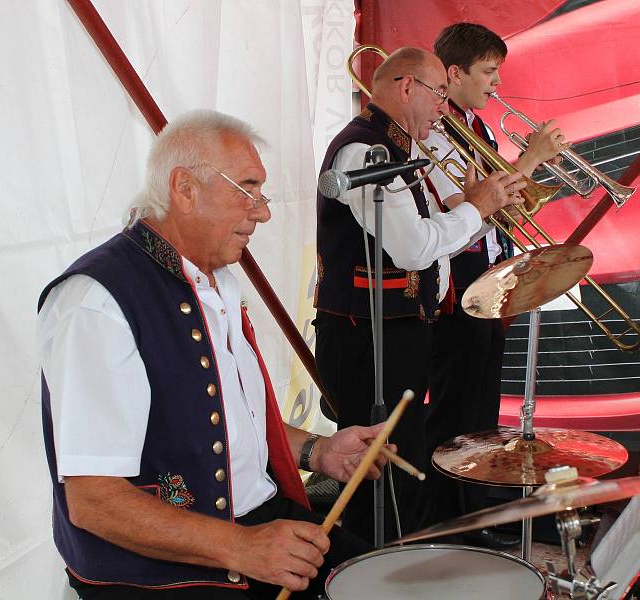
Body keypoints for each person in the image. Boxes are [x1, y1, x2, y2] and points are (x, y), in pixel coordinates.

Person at [37, 110, 395, 599]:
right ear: (184, 188)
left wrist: (318, 450)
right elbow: (94, 501)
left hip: (252, 528)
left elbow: (231, 422)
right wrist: (242, 548)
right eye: (246, 188)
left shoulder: (216, 279)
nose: (263, 211)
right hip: (164, 574)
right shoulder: (97, 302)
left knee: (392, 583)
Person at [313, 46, 525, 545]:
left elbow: (427, 234)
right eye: (439, 97)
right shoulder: (366, 152)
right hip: (366, 334)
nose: (443, 111)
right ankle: (374, 568)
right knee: (380, 469)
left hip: (395, 329)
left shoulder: (397, 150)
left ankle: (407, 559)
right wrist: (475, 208)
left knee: (402, 460)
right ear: (407, 87)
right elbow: (413, 249)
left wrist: (471, 207)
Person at [425, 23, 569, 548]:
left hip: (486, 277)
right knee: (457, 412)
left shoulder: (475, 128)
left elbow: (502, 202)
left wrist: (530, 173)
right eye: (488, 72)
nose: (496, 85)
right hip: (455, 283)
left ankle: (477, 510)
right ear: (454, 73)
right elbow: (462, 207)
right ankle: (451, 516)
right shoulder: (436, 132)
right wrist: (527, 158)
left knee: (482, 409)